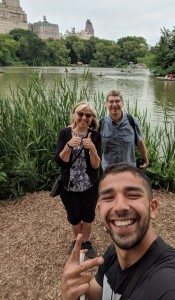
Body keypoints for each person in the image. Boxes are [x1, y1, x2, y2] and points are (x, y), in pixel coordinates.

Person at [61, 163, 175, 300]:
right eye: (108, 197)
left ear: (152, 208)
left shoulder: (174, 284)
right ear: (100, 210)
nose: (120, 206)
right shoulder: (113, 254)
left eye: (133, 195)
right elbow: (96, 294)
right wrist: (73, 291)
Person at [55, 101, 101, 259]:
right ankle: (77, 241)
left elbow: (96, 166)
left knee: (88, 217)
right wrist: (68, 146)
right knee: (74, 218)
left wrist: (93, 149)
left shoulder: (95, 135)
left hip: (89, 185)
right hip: (69, 185)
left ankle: (86, 242)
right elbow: (60, 162)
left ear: (91, 118)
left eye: (88, 115)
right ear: (74, 114)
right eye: (80, 114)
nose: (84, 117)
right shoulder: (65, 133)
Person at [99, 90, 149, 171]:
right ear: (106, 104)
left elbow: (140, 142)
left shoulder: (132, 121)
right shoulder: (101, 124)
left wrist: (146, 160)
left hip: (129, 170)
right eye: (111, 101)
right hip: (109, 171)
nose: (114, 104)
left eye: (117, 101)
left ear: (122, 103)